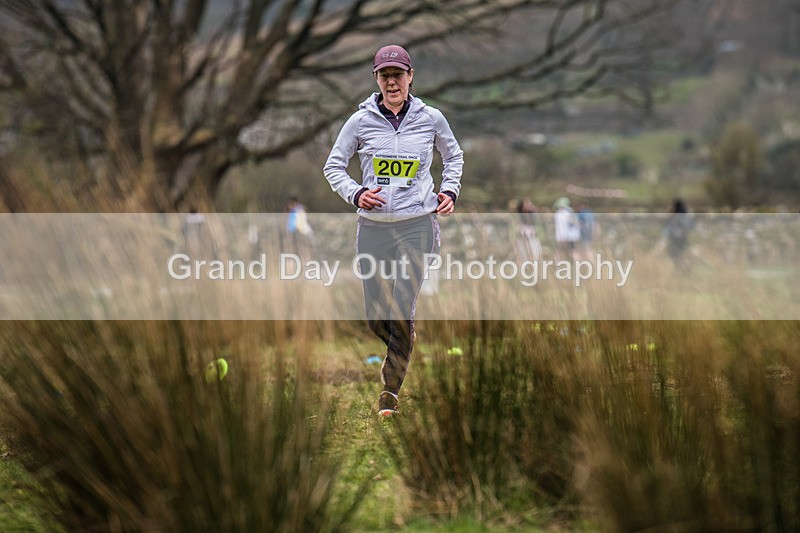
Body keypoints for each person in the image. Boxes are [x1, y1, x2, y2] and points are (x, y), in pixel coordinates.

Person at [323, 44, 463, 416]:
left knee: (402, 305)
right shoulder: (360, 121)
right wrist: (356, 193)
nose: (392, 82)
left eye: (397, 75)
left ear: (410, 77)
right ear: (377, 80)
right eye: (384, 76)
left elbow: (454, 156)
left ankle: (390, 391)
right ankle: (404, 338)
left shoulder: (431, 118)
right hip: (374, 227)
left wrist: (449, 190)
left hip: (418, 224)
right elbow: (333, 166)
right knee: (375, 314)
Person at [663, 199, 692, 270]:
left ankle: (685, 267)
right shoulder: (683, 216)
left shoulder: (677, 217)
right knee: (675, 255)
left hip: (677, 239)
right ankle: (684, 267)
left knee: (674, 254)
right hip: (680, 239)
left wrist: (668, 235)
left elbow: (671, 229)